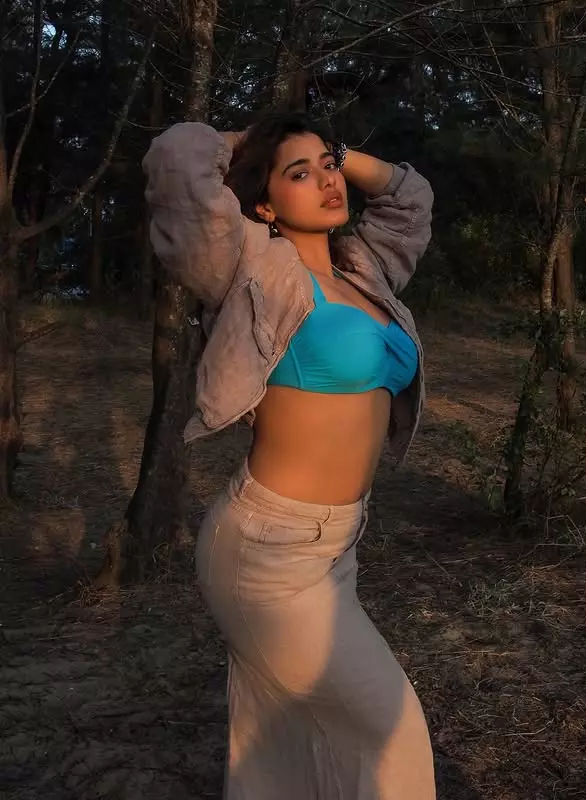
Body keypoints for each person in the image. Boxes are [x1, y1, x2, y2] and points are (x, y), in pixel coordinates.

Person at [142, 111, 435, 800]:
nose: (329, 182)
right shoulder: (250, 266)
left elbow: (410, 197)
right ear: (266, 205)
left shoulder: (365, 270)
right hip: (267, 553)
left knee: (289, 747)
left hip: (337, 546)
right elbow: (177, 160)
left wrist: (332, 150)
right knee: (391, 731)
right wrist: (259, 142)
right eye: (300, 175)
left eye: (329, 168)